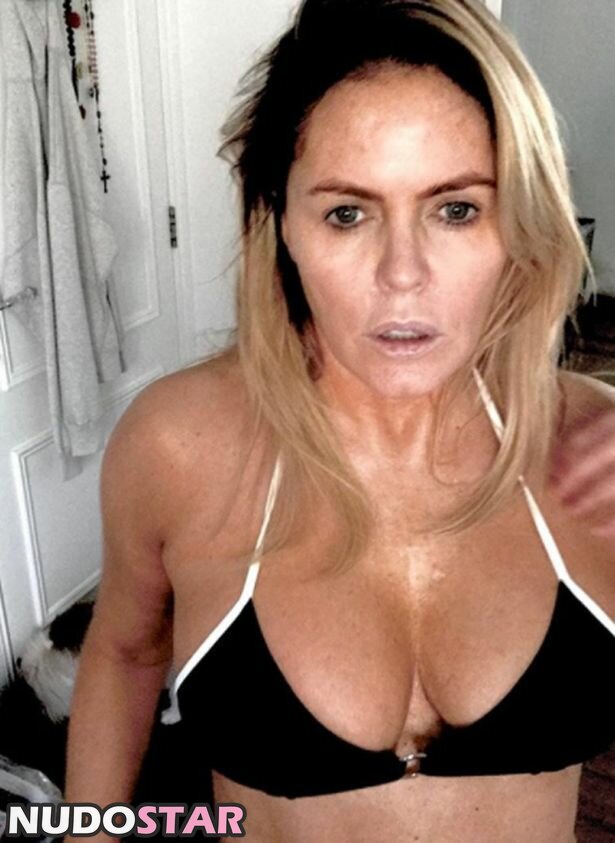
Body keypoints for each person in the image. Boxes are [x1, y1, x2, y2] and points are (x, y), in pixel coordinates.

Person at [65, 0, 615, 840]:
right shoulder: (176, 446)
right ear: (277, 220)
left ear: (520, 221)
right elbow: (126, 650)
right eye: (347, 213)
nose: (403, 275)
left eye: (456, 208)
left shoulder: (594, 447)